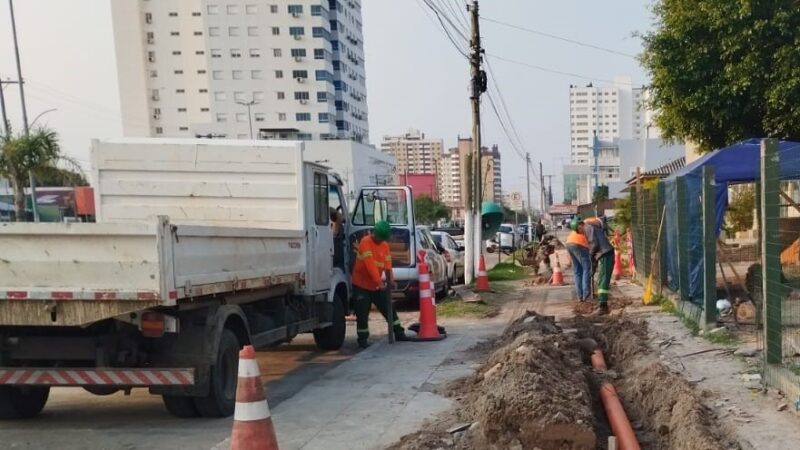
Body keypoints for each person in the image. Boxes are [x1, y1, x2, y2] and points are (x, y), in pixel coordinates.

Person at [351, 220, 408, 348]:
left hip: (376, 285)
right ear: (375, 234)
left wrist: (391, 279)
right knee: (362, 313)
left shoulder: (384, 245)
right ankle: (362, 340)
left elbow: (388, 265)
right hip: (361, 285)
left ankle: (399, 332)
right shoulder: (365, 242)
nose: (381, 240)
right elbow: (370, 264)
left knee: (389, 308)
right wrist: (379, 282)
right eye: (380, 238)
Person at [584, 216, 615, 315]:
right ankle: (602, 304)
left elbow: (594, 243)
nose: (580, 233)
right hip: (604, 254)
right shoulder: (593, 227)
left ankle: (603, 306)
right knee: (602, 280)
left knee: (602, 281)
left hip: (605, 254)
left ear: (580, 226)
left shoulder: (588, 227)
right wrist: (594, 261)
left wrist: (591, 255)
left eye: (579, 231)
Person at [565, 218, 591, 302]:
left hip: (569, 244)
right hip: (579, 245)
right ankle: (586, 294)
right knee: (586, 268)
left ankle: (579, 295)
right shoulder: (588, 226)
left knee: (577, 271)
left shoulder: (577, 228)